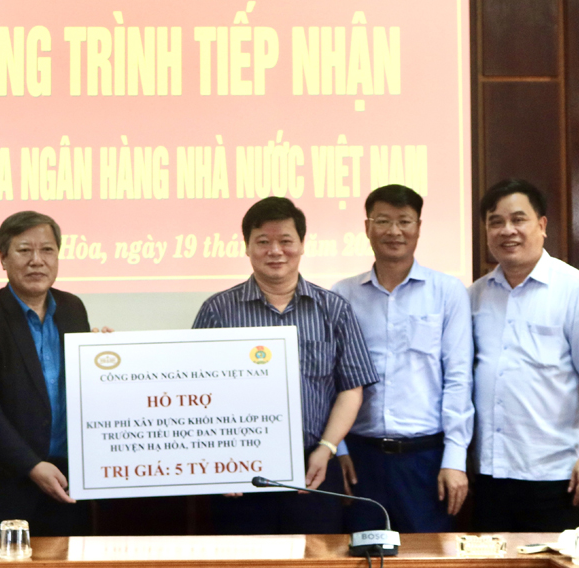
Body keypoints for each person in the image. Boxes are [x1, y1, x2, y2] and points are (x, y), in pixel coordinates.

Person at [192, 196, 378, 535]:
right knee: (244, 558)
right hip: (238, 469)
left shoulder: (333, 309)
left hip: (314, 466)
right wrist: (218, 461)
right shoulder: (217, 311)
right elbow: (196, 391)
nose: (275, 251)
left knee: (316, 556)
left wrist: (327, 448)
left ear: (302, 244)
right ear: (247, 247)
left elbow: (351, 388)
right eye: (263, 241)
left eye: (285, 241)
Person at [470, 178, 579, 531]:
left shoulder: (575, 288)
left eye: (518, 219)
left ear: (542, 225)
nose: (507, 230)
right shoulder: (475, 295)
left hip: (555, 475)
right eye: (496, 222)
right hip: (489, 473)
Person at [331, 184, 473, 533]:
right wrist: (339, 450)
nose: (394, 231)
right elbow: (330, 382)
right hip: (360, 459)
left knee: (428, 555)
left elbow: (458, 378)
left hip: (426, 460)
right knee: (360, 553)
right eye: (383, 221)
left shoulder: (447, 292)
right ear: (367, 228)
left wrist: (455, 458)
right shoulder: (342, 295)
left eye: (404, 221)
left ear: (418, 227)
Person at [0, 211, 103, 535]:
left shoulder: (73, 309)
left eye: (47, 250)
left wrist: (104, 356)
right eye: (24, 250)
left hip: (67, 482)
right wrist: (32, 466)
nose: (37, 260)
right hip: (6, 487)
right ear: (3, 258)